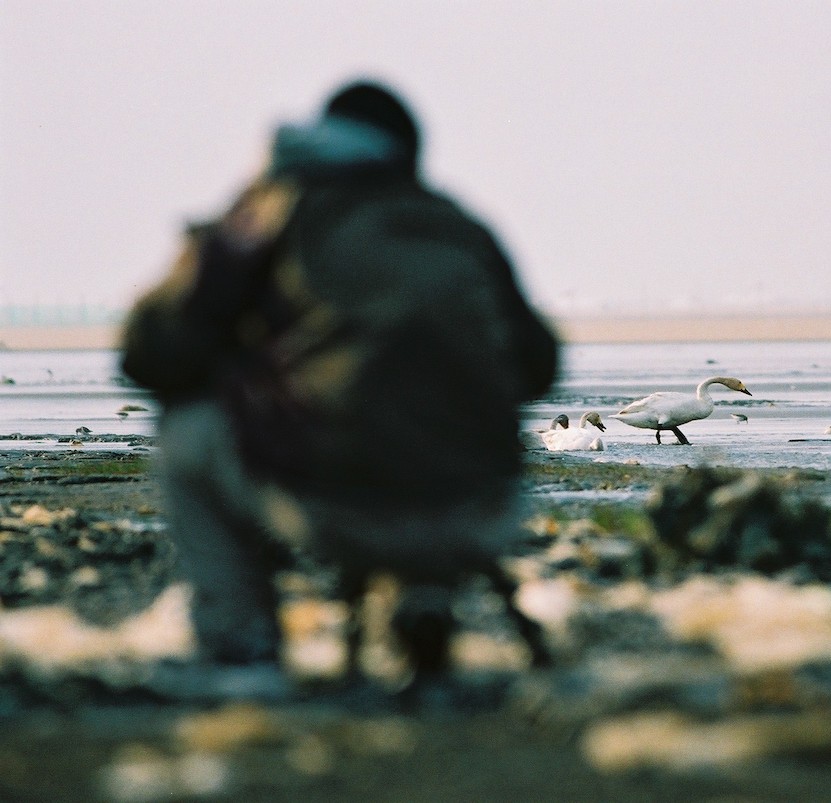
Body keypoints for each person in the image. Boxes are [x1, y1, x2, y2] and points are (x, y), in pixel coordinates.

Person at [121, 79, 559, 681]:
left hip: (341, 510)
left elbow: (149, 354)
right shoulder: (456, 224)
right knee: (416, 416)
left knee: (190, 427)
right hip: (484, 511)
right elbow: (540, 367)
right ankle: (420, 600)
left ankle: (239, 648)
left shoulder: (272, 214)